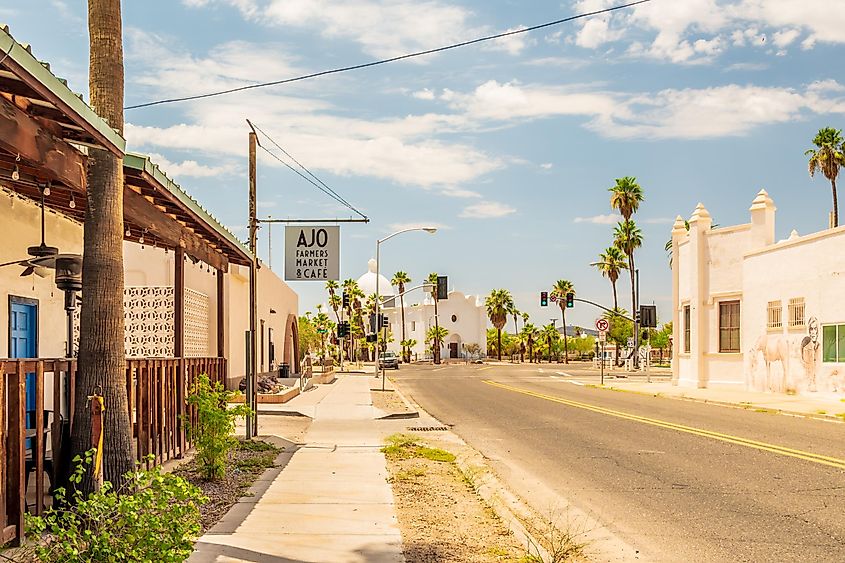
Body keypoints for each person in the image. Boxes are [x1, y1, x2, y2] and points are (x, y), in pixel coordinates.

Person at [800, 317, 820, 392]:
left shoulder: (818, 345)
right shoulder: (806, 346)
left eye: (815, 329)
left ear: (818, 331)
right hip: (809, 378)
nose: (813, 332)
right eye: (811, 329)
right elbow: (806, 363)